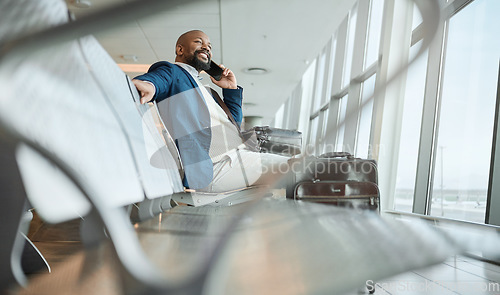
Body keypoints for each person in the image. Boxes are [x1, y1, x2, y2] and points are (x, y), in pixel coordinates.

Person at [133, 30, 289, 192]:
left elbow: (233, 125)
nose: (206, 48)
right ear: (180, 50)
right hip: (214, 167)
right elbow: (159, 79)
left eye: (209, 46)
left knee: (303, 167)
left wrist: (231, 89)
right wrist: (149, 85)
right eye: (199, 42)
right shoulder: (174, 72)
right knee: (299, 168)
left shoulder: (207, 91)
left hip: (236, 159)